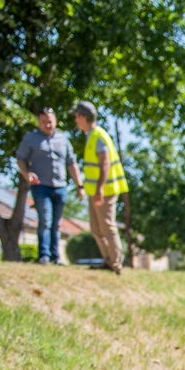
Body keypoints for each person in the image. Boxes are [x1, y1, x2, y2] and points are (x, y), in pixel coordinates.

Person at [15, 107, 82, 264]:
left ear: (55, 121)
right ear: (38, 122)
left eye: (50, 121)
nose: (47, 124)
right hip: (41, 186)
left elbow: (71, 163)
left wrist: (80, 185)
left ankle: (55, 256)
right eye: (44, 122)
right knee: (45, 219)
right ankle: (43, 255)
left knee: (57, 223)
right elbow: (20, 158)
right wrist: (26, 174)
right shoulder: (31, 138)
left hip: (60, 187)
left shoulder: (63, 140)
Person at [71, 101, 126, 273]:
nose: (75, 120)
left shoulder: (98, 135)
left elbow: (105, 163)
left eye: (76, 116)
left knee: (107, 226)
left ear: (83, 116)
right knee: (96, 228)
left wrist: (100, 188)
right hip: (94, 191)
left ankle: (116, 263)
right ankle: (108, 261)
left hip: (105, 190)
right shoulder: (90, 135)